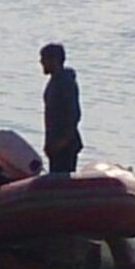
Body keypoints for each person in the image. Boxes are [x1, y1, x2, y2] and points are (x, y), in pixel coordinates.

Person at [39, 43, 83, 173]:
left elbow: (74, 114)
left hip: (65, 145)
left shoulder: (65, 82)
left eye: (44, 58)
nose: (41, 62)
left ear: (55, 60)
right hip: (55, 144)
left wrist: (62, 142)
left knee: (63, 178)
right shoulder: (54, 81)